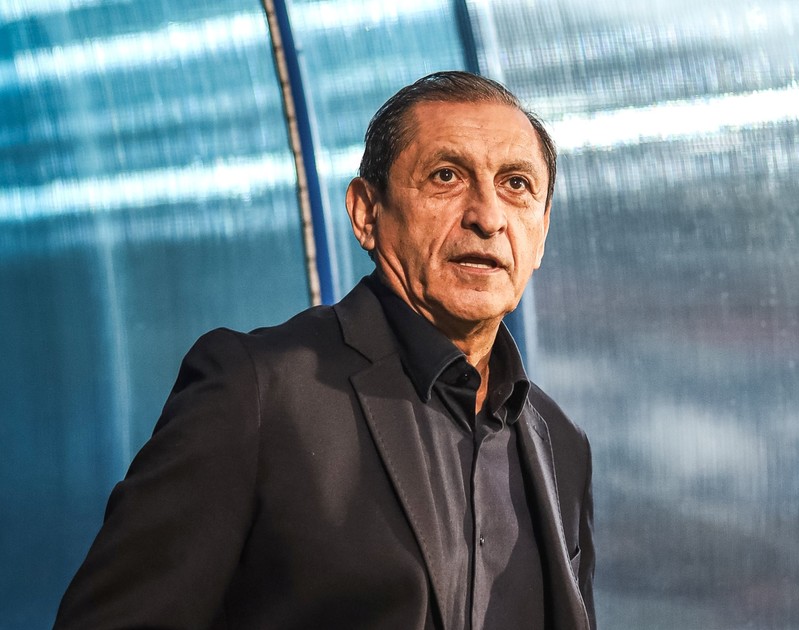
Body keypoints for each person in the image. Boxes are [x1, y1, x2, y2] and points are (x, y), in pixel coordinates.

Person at [54, 71, 594, 630]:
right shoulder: (256, 391)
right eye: (446, 176)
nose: (488, 216)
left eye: (516, 185)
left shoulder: (563, 446)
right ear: (366, 213)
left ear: (542, 233)